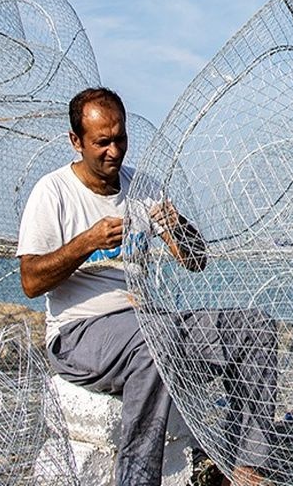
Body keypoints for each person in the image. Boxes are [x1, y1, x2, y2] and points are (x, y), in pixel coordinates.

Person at [17, 87, 274, 486]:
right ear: (76, 141)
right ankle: (137, 479)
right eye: (102, 142)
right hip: (80, 333)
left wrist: (178, 228)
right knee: (157, 339)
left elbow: (195, 261)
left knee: (253, 328)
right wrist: (87, 242)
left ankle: (244, 470)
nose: (114, 151)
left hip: (147, 324)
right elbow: (31, 281)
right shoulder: (53, 193)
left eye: (120, 138)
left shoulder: (143, 187)